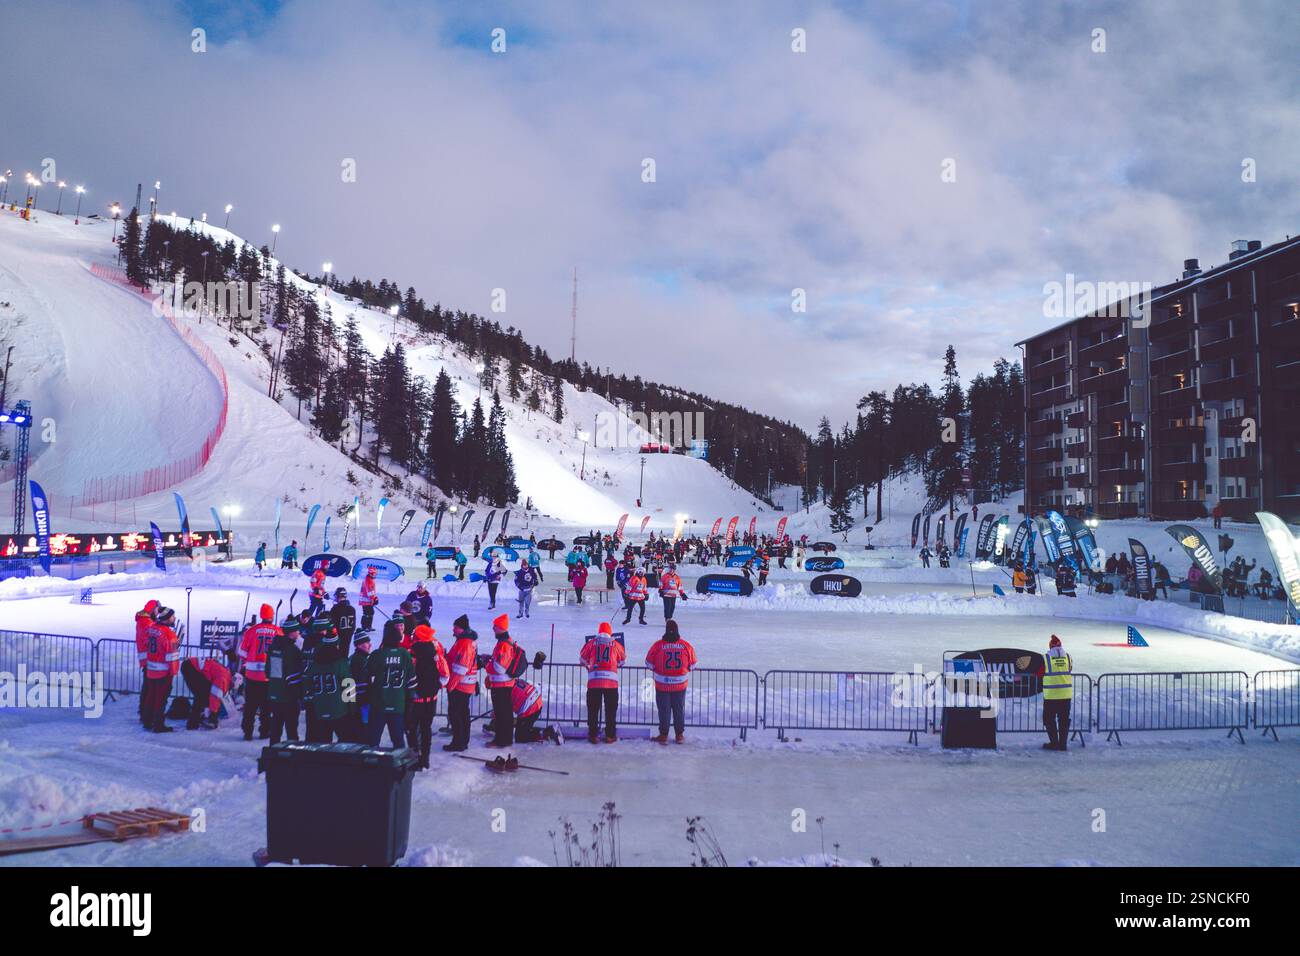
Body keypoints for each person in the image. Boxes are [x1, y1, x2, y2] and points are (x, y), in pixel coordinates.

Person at [366, 620, 416, 748]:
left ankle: (371, 764)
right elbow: (412, 678)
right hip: (397, 702)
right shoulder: (405, 654)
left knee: (373, 739)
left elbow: (368, 672)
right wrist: (410, 697)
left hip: (379, 702)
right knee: (398, 740)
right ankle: (399, 767)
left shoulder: (377, 655)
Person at [645, 620, 696, 744]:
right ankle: (679, 735)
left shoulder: (658, 645)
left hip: (662, 684)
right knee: (679, 709)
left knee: (664, 709)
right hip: (680, 684)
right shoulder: (686, 645)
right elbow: (693, 665)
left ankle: (663, 735)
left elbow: (649, 663)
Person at [407, 624, 449, 769]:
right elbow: (445, 676)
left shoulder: (411, 655)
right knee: (426, 729)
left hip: (415, 700)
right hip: (431, 700)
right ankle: (425, 759)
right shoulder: (437, 656)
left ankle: (414, 758)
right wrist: (436, 687)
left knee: (412, 728)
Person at [237, 603, 279, 741]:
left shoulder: (251, 631)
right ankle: (264, 731)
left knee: (250, 706)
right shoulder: (278, 631)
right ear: (272, 616)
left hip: (252, 675)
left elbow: (241, 652)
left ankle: (247, 732)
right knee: (266, 707)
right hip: (270, 676)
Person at [580, 622, 625, 743]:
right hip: (611, 683)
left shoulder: (591, 643)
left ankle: (593, 735)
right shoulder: (615, 644)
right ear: (610, 632)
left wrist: (589, 664)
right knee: (610, 709)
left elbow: (582, 659)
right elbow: (622, 660)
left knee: (593, 709)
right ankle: (610, 735)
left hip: (594, 681)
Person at [443, 614, 479, 752]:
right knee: (463, 713)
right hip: (466, 684)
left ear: (461, 628)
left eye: (455, 627)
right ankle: (463, 740)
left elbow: (461, 668)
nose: (453, 629)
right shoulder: (468, 641)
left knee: (456, 713)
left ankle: (458, 742)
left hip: (460, 684)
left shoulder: (464, 643)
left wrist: (451, 685)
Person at [485, 614, 523, 747]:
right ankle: (504, 739)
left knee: (502, 714)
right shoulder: (507, 642)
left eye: (495, 627)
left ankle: (502, 740)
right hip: (504, 684)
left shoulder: (503, 645)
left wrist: (487, 663)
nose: (493, 629)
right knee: (504, 713)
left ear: (501, 628)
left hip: (501, 685)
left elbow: (500, 667)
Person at [141, 607, 181, 733]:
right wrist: (173, 672)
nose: (174, 619)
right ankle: (158, 725)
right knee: (161, 699)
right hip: (163, 672)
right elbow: (172, 657)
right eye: (172, 616)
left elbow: (145, 643)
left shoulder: (151, 628)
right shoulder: (169, 634)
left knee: (150, 696)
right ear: (167, 618)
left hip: (151, 669)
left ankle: (147, 721)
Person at [302, 643, 351, 743]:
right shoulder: (340, 663)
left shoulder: (313, 666)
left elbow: (307, 686)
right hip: (339, 709)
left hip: (320, 710)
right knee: (345, 740)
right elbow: (349, 684)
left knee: (323, 743)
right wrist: (351, 706)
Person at [266, 618, 304, 743]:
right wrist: (299, 694)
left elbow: (268, 671)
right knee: (292, 731)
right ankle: (291, 759)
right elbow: (295, 677)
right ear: (291, 632)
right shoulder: (293, 651)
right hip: (289, 697)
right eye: (297, 630)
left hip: (274, 694)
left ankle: (272, 757)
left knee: (275, 729)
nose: (299, 633)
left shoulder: (273, 647)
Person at [1039, 635, 1073, 751]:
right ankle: (1062, 744)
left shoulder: (1046, 658)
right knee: (1063, 720)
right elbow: (1070, 669)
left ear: (1050, 646)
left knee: (1049, 719)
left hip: (1051, 696)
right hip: (1066, 695)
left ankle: (1054, 743)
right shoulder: (1068, 657)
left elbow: (1039, 673)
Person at [181, 655, 232, 730]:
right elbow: (215, 695)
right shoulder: (223, 679)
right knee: (200, 696)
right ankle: (193, 723)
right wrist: (213, 714)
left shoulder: (226, 674)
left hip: (191, 665)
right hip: (190, 667)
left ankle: (199, 717)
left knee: (203, 693)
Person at [134, 599, 160, 725]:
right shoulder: (146, 622)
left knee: (148, 686)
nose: (158, 612)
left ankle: (144, 711)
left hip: (148, 659)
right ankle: (144, 712)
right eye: (156, 609)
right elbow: (150, 639)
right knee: (148, 687)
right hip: (149, 659)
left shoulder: (145, 621)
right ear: (152, 609)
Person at [511, 677, 554, 743]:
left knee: (520, 738)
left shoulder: (503, 690)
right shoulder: (511, 680)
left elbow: (506, 713)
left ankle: (546, 733)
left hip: (530, 708)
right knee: (524, 729)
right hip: (536, 701)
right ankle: (543, 733)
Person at [348, 631, 373, 743]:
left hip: (351, 703)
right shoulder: (362, 661)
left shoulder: (351, 658)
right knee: (364, 733)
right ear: (358, 645)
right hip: (362, 703)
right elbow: (363, 685)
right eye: (367, 643)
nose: (370, 645)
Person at [330, 587, 357, 659]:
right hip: (348, 636)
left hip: (338, 638)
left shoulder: (335, 609)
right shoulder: (352, 609)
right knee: (345, 654)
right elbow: (353, 626)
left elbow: (331, 625)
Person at [359, 565, 379, 632]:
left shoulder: (370, 579)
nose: (375, 575)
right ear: (372, 573)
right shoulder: (368, 580)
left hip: (369, 600)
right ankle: (364, 627)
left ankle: (369, 626)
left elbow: (372, 591)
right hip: (366, 601)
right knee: (367, 613)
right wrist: (374, 598)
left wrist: (375, 598)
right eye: (375, 573)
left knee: (370, 612)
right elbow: (370, 592)